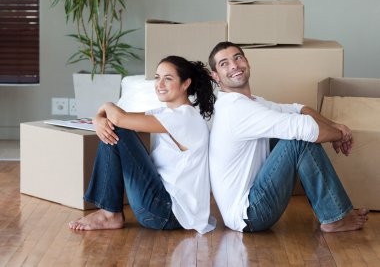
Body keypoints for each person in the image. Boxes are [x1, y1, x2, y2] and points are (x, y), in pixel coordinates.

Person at [208, 41, 369, 233]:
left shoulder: (249, 102)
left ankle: (334, 213)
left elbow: (297, 109)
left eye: (237, 58)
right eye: (224, 63)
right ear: (216, 76)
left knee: (295, 128)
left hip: (250, 202)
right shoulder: (236, 109)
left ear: (247, 62)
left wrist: (334, 126)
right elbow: (305, 128)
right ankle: (336, 216)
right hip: (250, 214)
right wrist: (339, 135)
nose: (234, 66)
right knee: (298, 140)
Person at [69, 55, 217, 234]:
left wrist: (106, 106)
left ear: (185, 84)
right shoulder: (169, 113)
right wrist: (98, 119)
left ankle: (110, 214)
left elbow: (118, 118)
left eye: (168, 79)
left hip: (165, 213)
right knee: (116, 126)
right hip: (164, 208)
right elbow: (118, 116)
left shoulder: (184, 118)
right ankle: (109, 213)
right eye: (157, 77)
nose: (159, 84)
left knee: (118, 129)